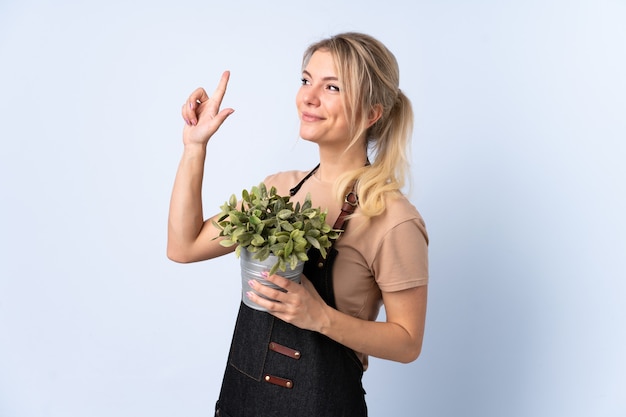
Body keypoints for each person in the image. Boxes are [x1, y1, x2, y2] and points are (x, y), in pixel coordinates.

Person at [167, 32, 428, 417]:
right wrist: (194, 147)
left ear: (372, 113)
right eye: (306, 80)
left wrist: (319, 317)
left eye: (332, 86)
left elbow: (407, 343)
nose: (308, 96)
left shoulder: (392, 219)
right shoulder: (278, 190)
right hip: (241, 401)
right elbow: (183, 247)